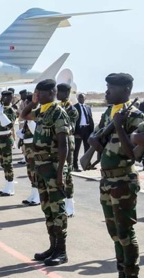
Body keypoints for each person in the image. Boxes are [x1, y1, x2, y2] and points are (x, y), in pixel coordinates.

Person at [89, 73, 142, 277]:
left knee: (125, 233)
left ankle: (131, 274)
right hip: (106, 179)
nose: (107, 91)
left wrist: (119, 126)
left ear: (126, 90)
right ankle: (122, 271)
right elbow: (103, 144)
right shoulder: (109, 112)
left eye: (111, 87)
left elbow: (132, 154)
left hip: (123, 180)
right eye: (106, 86)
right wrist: (95, 144)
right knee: (114, 233)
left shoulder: (135, 116)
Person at [21, 79, 71, 266]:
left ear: (51, 92)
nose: (38, 96)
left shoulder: (58, 112)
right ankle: (52, 247)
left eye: (40, 93)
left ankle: (61, 251)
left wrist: (60, 174)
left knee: (58, 210)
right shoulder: (42, 111)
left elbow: (63, 144)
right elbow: (24, 115)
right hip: (41, 168)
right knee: (47, 209)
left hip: (53, 167)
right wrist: (33, 102)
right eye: (37, 93)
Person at [57, 83, 79, 217]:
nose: (57, 94)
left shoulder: (72, 110)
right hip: (59, 142)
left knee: (68, 174)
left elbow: (69, 127)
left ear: (66, 93)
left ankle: (70, 205)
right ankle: (62, 203)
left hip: (67, 142)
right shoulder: (59, 106)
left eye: (59, 92)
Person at [0, 90, 17, 196]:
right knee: (3, 163)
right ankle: (7, 184)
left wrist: (1, 113)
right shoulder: (1, 109)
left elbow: (9, 125)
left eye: (8, 98)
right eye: (3, 97)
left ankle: (10, 187)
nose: (5, 99)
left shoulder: (11, 111)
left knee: (8, 164)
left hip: (6, 139)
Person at [19, 93, 40, 206]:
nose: (26, 104)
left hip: (33, 146)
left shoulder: (35, 115)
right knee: (30, 171)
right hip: (27, 146)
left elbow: (36, 132)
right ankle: (33, 193)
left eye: (28, 102)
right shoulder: (29, 117)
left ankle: (38, 196)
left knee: (35, 171)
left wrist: (30, 122)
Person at [73, 93, 94, 171]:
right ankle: (75, 166)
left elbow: (90, 118)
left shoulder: (88, 107)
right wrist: (74, 133)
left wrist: (92, 131)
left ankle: (87, 164)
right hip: (79, 130)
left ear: (85, 99)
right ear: (77, 98)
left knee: (88, 148)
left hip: (87, 129)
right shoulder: (74, 107)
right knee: (76, 149)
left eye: (83, 98)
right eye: (80, 97)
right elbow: (72, 121)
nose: (81, 99)